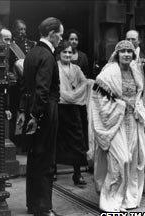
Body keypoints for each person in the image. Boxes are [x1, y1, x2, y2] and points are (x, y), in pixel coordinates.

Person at [87, 40, 145, 212]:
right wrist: (119, 105)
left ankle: (126, 199)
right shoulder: (109, 72)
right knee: (121, 160)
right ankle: (109, 201)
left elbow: (139, 94)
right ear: (117, 54)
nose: (127, 54)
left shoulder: (136, 71)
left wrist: (140, 105)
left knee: (133, 161)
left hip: (133, 122)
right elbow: (98, 96)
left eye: (130, 51)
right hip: (115, 123)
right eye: (123, 52)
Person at [17, 17, 66, 216]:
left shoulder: (32, 53)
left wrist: (26, 112)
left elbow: (27, 87)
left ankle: (33, 204)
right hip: (45, 112)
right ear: (52, 33)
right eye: (60, 34)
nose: (61, 39)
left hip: (33, 110)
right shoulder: (47, 55)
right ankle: (44, 208)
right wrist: (37, 116)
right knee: (46, 159)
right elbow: (42, 90)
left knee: (35, 157)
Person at [55, 40, 94, 185]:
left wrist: (75, 94)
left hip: (73, 108)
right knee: (56, 138)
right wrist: (64, 94)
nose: (67, 54)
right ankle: (53, 169)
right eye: (64, 52)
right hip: (58, 107)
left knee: (77, 139)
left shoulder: (76, 69)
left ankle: (77, 174)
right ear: (59, 54)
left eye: (70, 52)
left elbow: (84, 82)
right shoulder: (54, 67)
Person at [126, 30, 145, 172]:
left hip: (144, 101)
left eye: (133, 39)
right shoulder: (124, 55)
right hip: (129, 102)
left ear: (139, 41)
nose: (131, 41)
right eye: (128, 39)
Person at [64, 29, 90, 171]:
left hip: (78, 100)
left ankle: (78, 170)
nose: (74, 42)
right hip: (63, 101)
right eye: (71, 39)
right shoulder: (59, 61)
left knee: (77, 134)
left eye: (76, 39)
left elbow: (86, 78)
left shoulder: (82, 59)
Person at [8, 19, 36, 148]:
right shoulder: (10, 46)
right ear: (14, 30)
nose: (22, 32)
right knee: (16, 112)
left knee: (28, 111)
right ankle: (15, 141)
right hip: (16, 86)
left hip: (28, 84)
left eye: (24, 29)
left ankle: (26, 142)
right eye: (20, 29)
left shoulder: (31, 45)